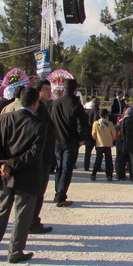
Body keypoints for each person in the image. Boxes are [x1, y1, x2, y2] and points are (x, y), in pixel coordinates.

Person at [0, 87, 46, 263]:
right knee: (22, 214)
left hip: (4, 173)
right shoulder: (39, 125)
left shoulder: (2, 119)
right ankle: (15, 251)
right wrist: (12, 164)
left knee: (0, 211)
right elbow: (34, 153)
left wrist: (1, 163)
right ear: (35, 103)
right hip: (26, 174)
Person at [50, 78, 89, 207]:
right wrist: (81, 138)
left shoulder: (55, 103)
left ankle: (58, 192)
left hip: (57, 140)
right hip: (71, 141)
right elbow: (82, 124)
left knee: (59, 168)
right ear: (75, 89)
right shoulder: (75, 104)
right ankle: (61, 195)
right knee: (67, 169)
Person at [28, 78, 55, 234]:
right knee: (37, 192)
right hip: (39, 157)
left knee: (39, 191)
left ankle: (32, 219)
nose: (49, 92)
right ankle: (32, 222)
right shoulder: (38, 109)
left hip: (44, 156)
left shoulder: (44, 107)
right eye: (46, 89)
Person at [91, 109, 116, 181]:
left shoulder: (96, 123)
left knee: (98, 159)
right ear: (107, 115)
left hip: (99, 143)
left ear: (99, 115)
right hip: (108, 143)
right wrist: (112, 139)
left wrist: (96, 139)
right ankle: (109, 176)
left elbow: (93, 134)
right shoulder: (110, 123)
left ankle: (94, 174)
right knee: (108, 160)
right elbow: (113, 134)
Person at [83, 97, 101, 172]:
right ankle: (97, 166)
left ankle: (86, 166)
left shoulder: (88, 111)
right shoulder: (98, 112)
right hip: (95, 133)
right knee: (99, 152)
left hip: (88, 132)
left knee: (87, 152)